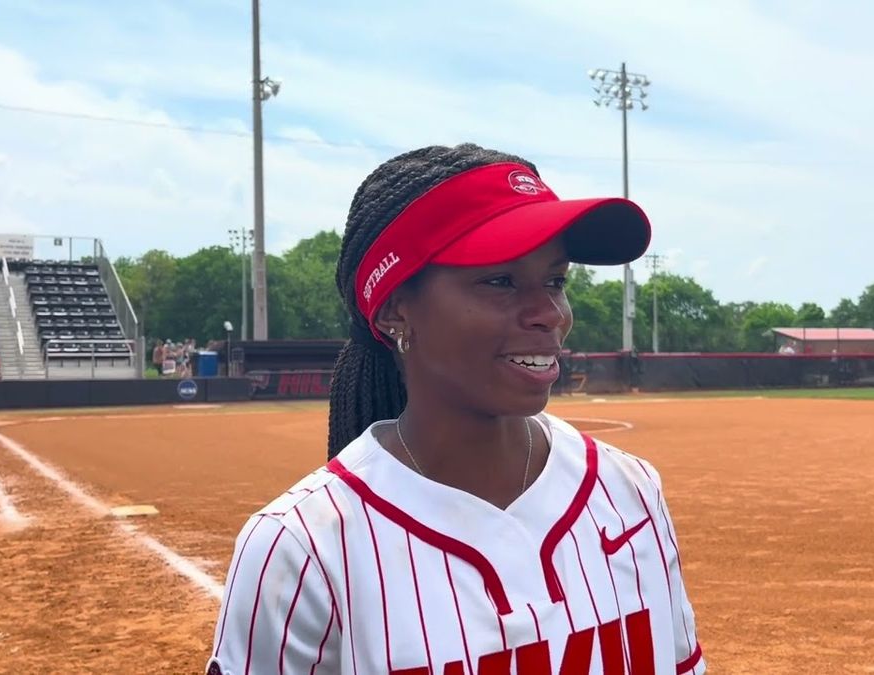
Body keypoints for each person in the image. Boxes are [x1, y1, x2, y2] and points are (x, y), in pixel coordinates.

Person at [207, 144, 705, 674]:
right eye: (500, 280)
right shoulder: (303, 546)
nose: (551, 313)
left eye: (556, 280)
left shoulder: (630, 491)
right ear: (396, 305)